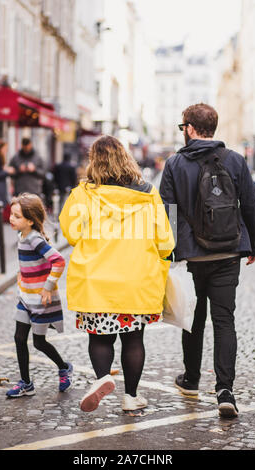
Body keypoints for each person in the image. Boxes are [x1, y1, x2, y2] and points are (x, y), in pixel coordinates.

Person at [159, 103, 255, 417]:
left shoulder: (175, 164)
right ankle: (225, 389)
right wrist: (253, 245)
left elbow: (168, 214)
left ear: (189, 128)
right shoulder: (235, 161)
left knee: (193, 318)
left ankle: (191, 379)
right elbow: (251, 208)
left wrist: (169, 254)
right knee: (224, 320)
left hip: (191, 255)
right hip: (228, 252)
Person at [59, 135, 174, 415]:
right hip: (137, 279)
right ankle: (131, 397)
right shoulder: (148, 193)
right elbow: (165, 240)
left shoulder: (82, 194)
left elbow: (71, 233)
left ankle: (102, 378)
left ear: (93, 161)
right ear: (126, 157)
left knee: (99, 338)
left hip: (96, 281)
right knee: (134, 339)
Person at [6, 193, 72, 398]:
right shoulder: (22, 235)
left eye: (16, 216)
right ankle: (26, 383)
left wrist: (48, 287)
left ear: (30, 220)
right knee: (19, 338)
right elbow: (31, 263)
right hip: (25, 297)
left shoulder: (34, 238)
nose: (11, 219)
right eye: (11, 214)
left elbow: (59, 261)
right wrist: (21, 274)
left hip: (41, 300)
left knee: (39, 343)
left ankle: (64, 367)